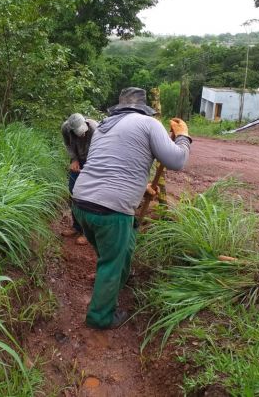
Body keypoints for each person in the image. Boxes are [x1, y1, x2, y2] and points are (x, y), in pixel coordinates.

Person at [72, 87, 191, 330]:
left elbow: (112, 164)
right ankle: (100, 317)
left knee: (118, 251)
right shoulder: (149, 123)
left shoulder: (103, 126)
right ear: (144, 108)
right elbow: (177, 160)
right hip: (110, 211)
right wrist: (183, 137)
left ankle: (117, 280)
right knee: (111, 262)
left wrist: (142, 187)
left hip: (81, 203)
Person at [61, 113, 98, 244]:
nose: (82, 135)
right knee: (73, 192)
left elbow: (101, 150)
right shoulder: (66, 128)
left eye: (83, 132)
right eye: (78, 133)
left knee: (89, 196)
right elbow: (68, 145)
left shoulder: (95, 129)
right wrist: (74, 159)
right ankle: (76, 227)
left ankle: (88, 232)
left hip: (94, 163)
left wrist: (91, 168)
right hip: (78, 161)